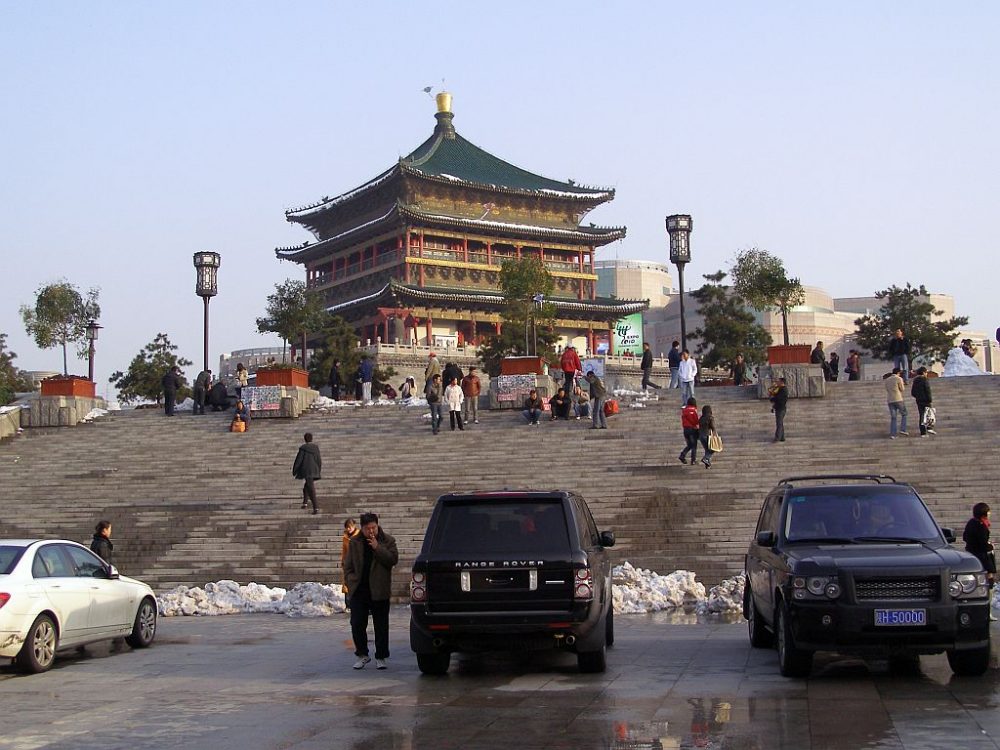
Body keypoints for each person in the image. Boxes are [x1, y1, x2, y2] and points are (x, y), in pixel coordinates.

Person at [343, 512, 399, 669]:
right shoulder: (355, 542)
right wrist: (350, 581)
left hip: (379, 588)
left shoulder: (387, 540)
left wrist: (377, 547)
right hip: (360, 589)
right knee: (357, 623)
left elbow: (392, 560)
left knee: (381, 625)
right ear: (362, 528)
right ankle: (362, 654)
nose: (371, 531)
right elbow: (348, 565)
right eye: (368, 529)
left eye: (373, 527)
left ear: (377, 525)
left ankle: (381, 656)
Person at [963, 503, 996, 619]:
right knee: (989, 579)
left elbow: (964, 537)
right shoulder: (980, 525)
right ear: (983, 513)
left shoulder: (971, 523)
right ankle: (987, 610)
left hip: (972, 554)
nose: (990, 513)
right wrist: (990, 546)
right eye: (988, 511)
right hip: (982, 556)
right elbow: (982, 543)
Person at [292, 432, 322, 515]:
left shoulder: (303, 448)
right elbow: (319, 459)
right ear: (311, 439)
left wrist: (294, 470)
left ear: (305, 439)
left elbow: (299, 460)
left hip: (306, 470)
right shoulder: (316, 448)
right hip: (314, 469)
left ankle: (316, 507)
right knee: (307, 486)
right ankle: (305, 502)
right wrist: (318, 469)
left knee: (311, 488)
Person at [909, 366, 935, 436]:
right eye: (926, 372)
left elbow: (913, 392)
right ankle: (929, 428)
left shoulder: (915, 380)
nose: (926, 374)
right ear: (923, 372)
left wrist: (918, 397)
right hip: (926, 400)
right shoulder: (925, 380)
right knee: (930, 414)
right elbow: (927, 390)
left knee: (922, 415)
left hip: (919, 401)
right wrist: (929, 399)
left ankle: (923, 432)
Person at [884, 367, 908, 439]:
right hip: (898, 398)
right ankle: (903, 429)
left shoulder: (887, 380)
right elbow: (902, 389)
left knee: (893, 417)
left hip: (890, 399)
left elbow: (887, 389)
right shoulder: (899, 379)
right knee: (904, 414)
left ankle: (893, 434)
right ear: (898, 373)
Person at [340, 518, 360, 595]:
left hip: (357, 563)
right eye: (347, 527)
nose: (348, 529)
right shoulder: (345, 537)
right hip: (348, 563)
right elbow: (344, 550)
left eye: (349, 527)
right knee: (347, 583)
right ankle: (348, 604)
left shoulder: (359, 536)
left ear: (354, 526)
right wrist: (343, 561)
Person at [678, 397, 700, 465]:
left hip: (685, 430)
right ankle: (693, 460)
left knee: (689, 445)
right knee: (694, 445)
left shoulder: (684, 410)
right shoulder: (693, 410)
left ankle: (682, 455)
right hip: (692, 430)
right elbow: (695, 421)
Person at [699, 404, 718, 468]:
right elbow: (713, 427)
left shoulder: (701, 418)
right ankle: (706, 458)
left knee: (707, 450)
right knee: (713, 449)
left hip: (701, 436)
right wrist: (715, 434)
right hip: (707, 435)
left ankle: (707, 463)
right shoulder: (710, 417)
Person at [769, 377, 788, 442]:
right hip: (779, 408)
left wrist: (773, 399)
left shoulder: (783, 390)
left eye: (778, 381)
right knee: (780, 423)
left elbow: (778, 399)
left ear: (782, 382)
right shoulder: (780, 389)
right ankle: (782, 437)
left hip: (781, 409)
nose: (777, 383)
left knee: (779, 423)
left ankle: (777, 437)